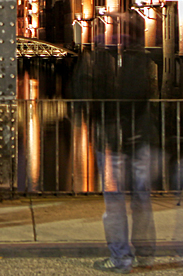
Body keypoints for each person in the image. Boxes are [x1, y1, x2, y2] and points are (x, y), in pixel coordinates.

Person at [73, 49, 157, 274]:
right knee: (141, 199)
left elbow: (84, 97)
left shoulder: (97, 61)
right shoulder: (140, 59)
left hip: (113, 142)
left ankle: (121, 258)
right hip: (140, 139)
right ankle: (145, 255)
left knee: (115, 201)